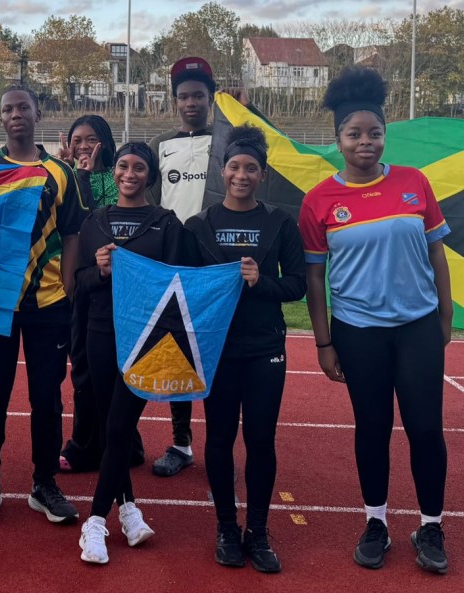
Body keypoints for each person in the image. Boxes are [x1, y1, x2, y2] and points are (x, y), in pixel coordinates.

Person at [299, 67, 454, 574]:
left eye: (374, 133)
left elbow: (438, 256)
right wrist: (324, 343)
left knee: (426, 428)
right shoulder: (319, 201)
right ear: (338, 140)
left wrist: (444, 317)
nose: (366, 142)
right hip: (357, 330)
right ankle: (376, 521)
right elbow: (316, 279)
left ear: (385, 135)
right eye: (354, 134)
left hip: (417, 327)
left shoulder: (414, 182)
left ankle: (431, 526)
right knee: (372, 427)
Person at [0, 85, 86, 525]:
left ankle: (44, 483)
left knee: (47, 397)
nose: (16, 114)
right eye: (7, 108)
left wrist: (68, 285)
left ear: (38, 113)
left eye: (23, 107)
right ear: (0, 118)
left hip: (47, 302)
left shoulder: (60, 172)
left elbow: (72, 234)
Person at [184, 125, 305, 573]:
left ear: (263, 174)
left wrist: (261, 282)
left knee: (260, 439)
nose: (241, 174)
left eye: (251, 168)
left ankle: (258, 529)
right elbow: (185, 286)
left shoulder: (278, 223)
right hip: (217, 350)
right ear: (222, 170)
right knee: (218, 438)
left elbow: (296, 285)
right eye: (234, 166)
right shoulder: (200, 225)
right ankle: (225, 528)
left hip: (264, 348)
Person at [145, 57, 266, 478]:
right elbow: (146, 194)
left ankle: (232, 439)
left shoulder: (228, 138)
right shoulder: (161, 143)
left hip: (224, 259)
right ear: (174, 100)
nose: (191, 103)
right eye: (183, 96)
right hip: (176, 256)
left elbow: (266, 152)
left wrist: (249, 112)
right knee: (177, 349)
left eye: (199, 95)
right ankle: (181, 442)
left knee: (225, 348)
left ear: (211, 98)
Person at [76, 142, 193, 564]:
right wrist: (100, 270)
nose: (129, 173)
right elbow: (78, 283)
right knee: (112, 428)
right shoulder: (96, 221)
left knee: (122, 426)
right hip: (100, 332)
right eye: (123, 165)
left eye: (139, 167)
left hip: (145, 339)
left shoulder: (167, 223)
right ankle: (128, 510)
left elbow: (177, 286)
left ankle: (94, 522)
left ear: (150, 175)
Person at [56, 114, 145, 475]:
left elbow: (93, 219)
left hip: (117, 288)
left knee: (116, 370)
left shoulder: (117, 177)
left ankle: (112, 444)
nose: (82, 147)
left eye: (91, 140)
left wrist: (84, 175)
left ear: (105, 143)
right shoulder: (65, 176)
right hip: (84, 283)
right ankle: (89, 441)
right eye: (77, 140)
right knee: (85, 370)